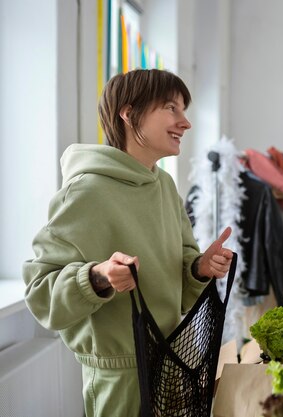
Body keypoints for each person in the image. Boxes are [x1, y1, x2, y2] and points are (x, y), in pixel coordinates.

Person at [22, 69, 234, 417]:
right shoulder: (85, 193)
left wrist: (199, 267)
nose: (185, 123)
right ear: (128, 112)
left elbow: (179, 271)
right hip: (119, 380)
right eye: (171, 108)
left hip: (172, 364)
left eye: (184, 111)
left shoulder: (163, 185)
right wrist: (98, 277)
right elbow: (40, 293)